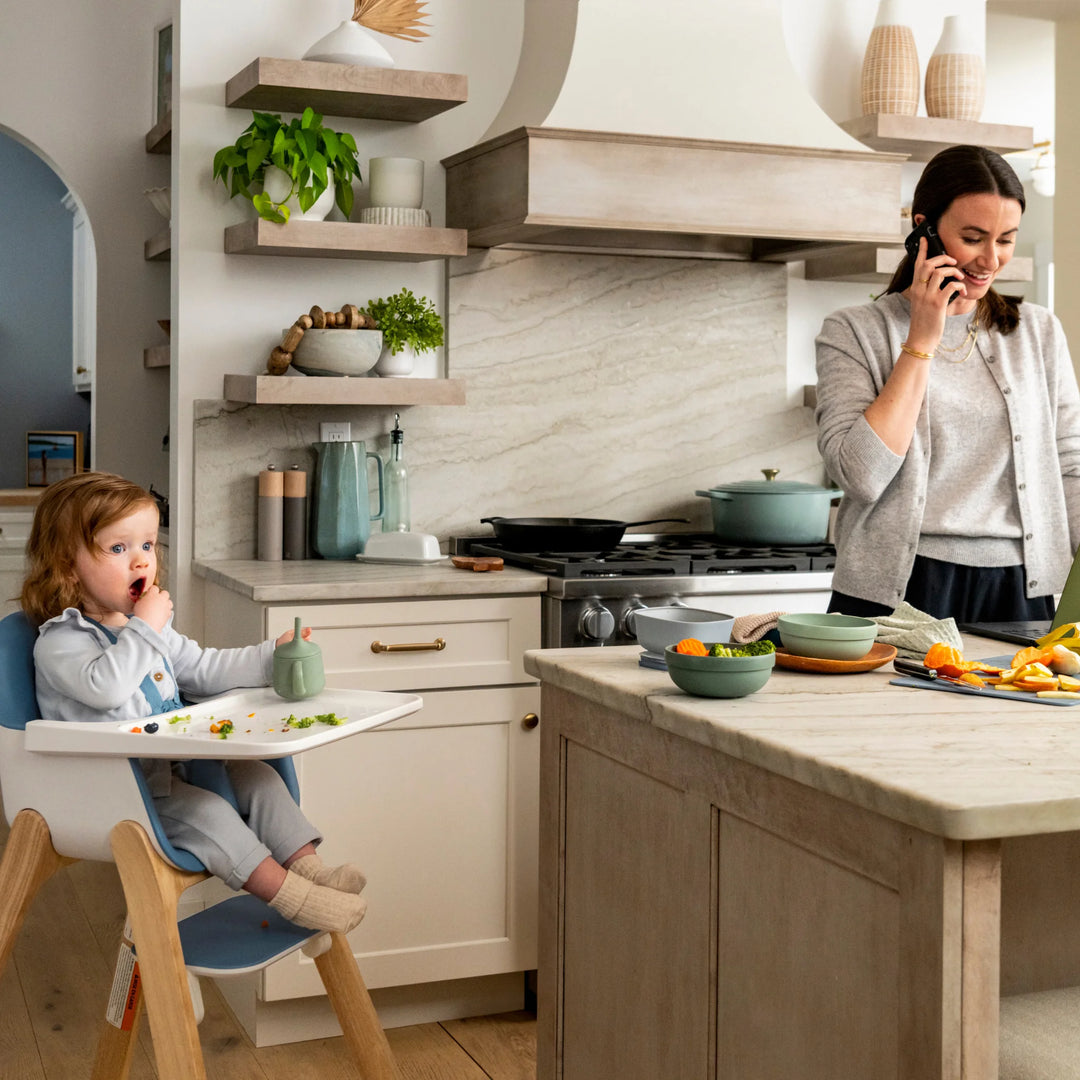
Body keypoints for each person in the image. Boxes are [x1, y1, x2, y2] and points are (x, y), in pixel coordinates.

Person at [20, 471, 367, 934]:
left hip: (169, 769)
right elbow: (106, 687)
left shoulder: (144, 629)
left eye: (147, 545)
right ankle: (295, 899)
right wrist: (144, 628)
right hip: (116, 788)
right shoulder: (61, 641)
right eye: (119, 549)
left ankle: (310, 871)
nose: (141, 561)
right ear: (67, 565)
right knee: (211, 814)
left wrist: (271, 656)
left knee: (257, 775)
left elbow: (204, 667)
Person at [814, 144, 1080, 622]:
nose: (990, 260)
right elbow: (860, 475)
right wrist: (922, 337)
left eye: (1006, 239)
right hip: (897, 587)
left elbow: (1070, 465)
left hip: (1020, 588)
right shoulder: (854, 331)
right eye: (974, 237)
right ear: (925, 230)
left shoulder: (1036, 332)